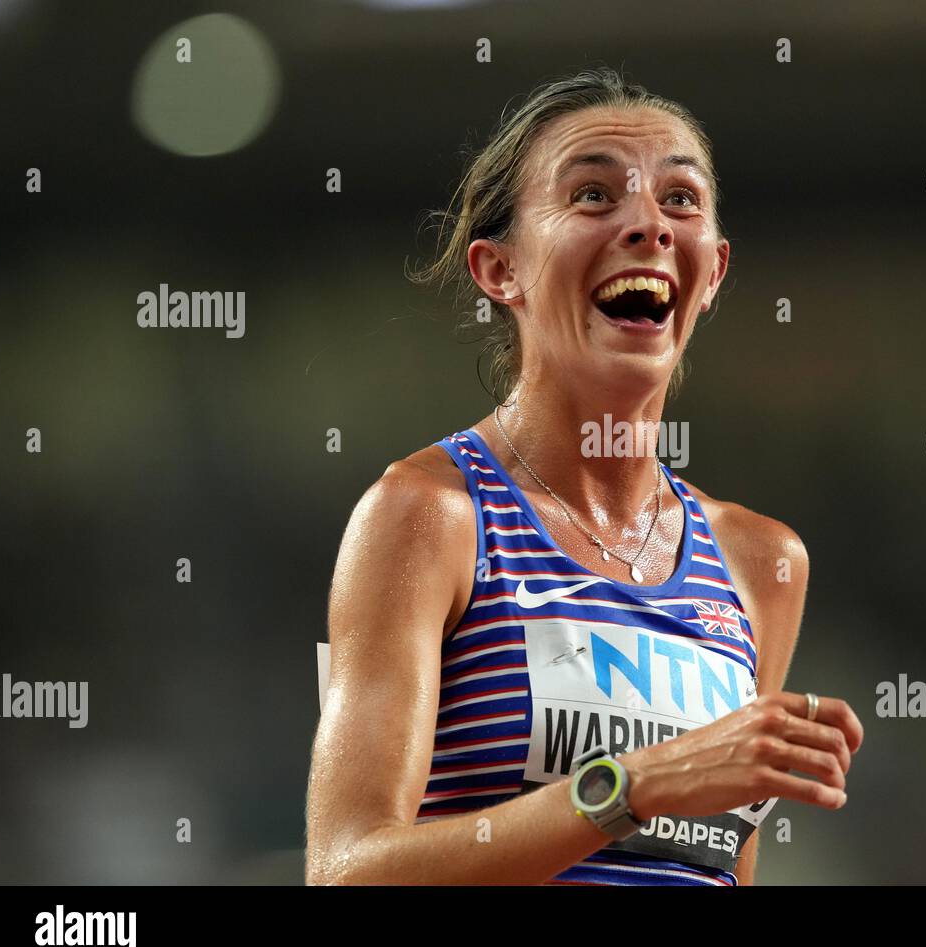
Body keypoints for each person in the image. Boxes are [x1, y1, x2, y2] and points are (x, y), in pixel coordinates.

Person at [305, 66, 863, 885]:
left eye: (681, 199)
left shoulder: (760, 560)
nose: (650, 224)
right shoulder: (429, 514)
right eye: (595, 195)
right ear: (502, 271)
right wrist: (635, 784)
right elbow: (345, 871)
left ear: (711, 274)